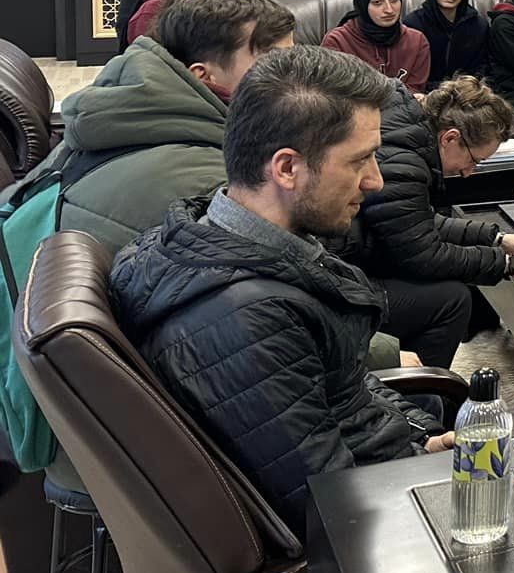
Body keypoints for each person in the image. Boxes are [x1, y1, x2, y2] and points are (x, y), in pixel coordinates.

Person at [110, 47, 455, 533]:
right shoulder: (248, 318)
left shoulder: (236, 238)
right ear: (287, 168)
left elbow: (343, 391)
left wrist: (421, 441)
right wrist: (418, 468)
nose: (376, 181)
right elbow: (332, 508)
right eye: (360, 160)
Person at [16, 0, 295, 253]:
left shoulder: (113, 116)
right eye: (273, 63)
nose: (293, 76)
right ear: (203, 76)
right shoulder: (220, 183)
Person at [343, 76, 514, 368]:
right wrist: (509, 265)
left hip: (354, 256)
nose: (469, 172)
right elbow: (423, 255)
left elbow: (416, 222)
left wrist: (498, 239)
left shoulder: (406, 135)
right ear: (450, 138)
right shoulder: (403, 162)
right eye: (474, 160)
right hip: (344, 277)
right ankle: (421, 389)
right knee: (453, 299)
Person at [321, 0, 431, 89]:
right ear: (362, 4)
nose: (389, 9)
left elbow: (415, 93)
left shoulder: (417, 42)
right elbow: (334, 94)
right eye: (377, 2)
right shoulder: (337, 42)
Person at [405, 0, 487, 88]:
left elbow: (482, 70)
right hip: (424, 93)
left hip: (468, 93)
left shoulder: (478, 25)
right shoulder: (413, 24)